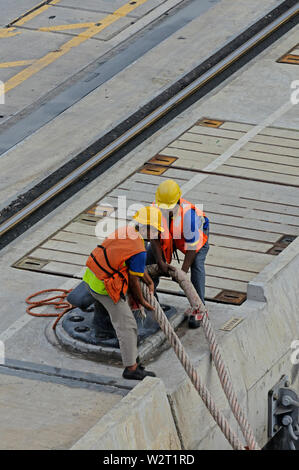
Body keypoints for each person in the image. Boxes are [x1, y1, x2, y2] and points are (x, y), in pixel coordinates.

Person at [83, 206, 164, 380]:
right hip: (103, 287)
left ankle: (132, 359)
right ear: (146, 228)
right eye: (156, 230)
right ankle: (131, 368)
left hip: (91, 276)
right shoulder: (140, 249)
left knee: (125, 322)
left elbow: (136, 267)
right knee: (127, 325)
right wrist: (142, 301)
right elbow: (134, 281)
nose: (157, 234)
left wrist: (149, 281)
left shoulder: (126, 231)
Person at [147, 179, 209, 328]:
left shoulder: (188, 216)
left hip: (193, 237)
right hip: (170, 234)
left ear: (177, 201)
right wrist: (160, 261)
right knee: (149, 259)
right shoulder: (154, 210)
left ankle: (199, 308)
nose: (165, 210)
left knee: (197, 265)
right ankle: (150, 298)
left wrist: (182, 272)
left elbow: (192, 248)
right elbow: (154, 238)